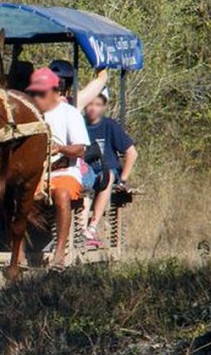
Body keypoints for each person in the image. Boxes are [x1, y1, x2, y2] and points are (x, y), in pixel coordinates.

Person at [26, 68, 90, 271]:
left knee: (62, 194)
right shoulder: (30, 114)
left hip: (64, 170)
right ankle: (17, 253)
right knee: (14, 193)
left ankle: (59, 254)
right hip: (36, 172)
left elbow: (80, 148)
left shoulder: (69, 113)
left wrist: (60, 148)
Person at [82, 89, 138, 245]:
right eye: (90, 104)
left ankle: (92, 227)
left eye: (98, 104)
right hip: (86, 170)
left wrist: (124, 178)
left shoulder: (110, 126)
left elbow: (132, 153)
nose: (93, 108)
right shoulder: (79, 124)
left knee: (108, 178)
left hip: (106, 170)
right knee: (84, 186)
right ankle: (80, 230)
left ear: (103, 106)